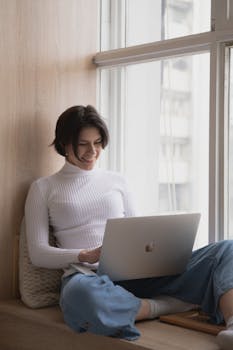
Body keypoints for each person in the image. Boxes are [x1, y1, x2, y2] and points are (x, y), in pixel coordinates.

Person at [25, 104, 233, 349]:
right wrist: (84, 255)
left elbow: (139, 232)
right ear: (64, 143)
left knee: (226, 249)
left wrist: (159, 250)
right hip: (86, 277)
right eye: (83, 143)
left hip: (134, 275)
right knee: (79, 297)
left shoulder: (117, 181)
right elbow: (38, 253)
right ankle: (166, 305)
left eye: (98, 142)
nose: (92, 151)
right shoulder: (43, 188)